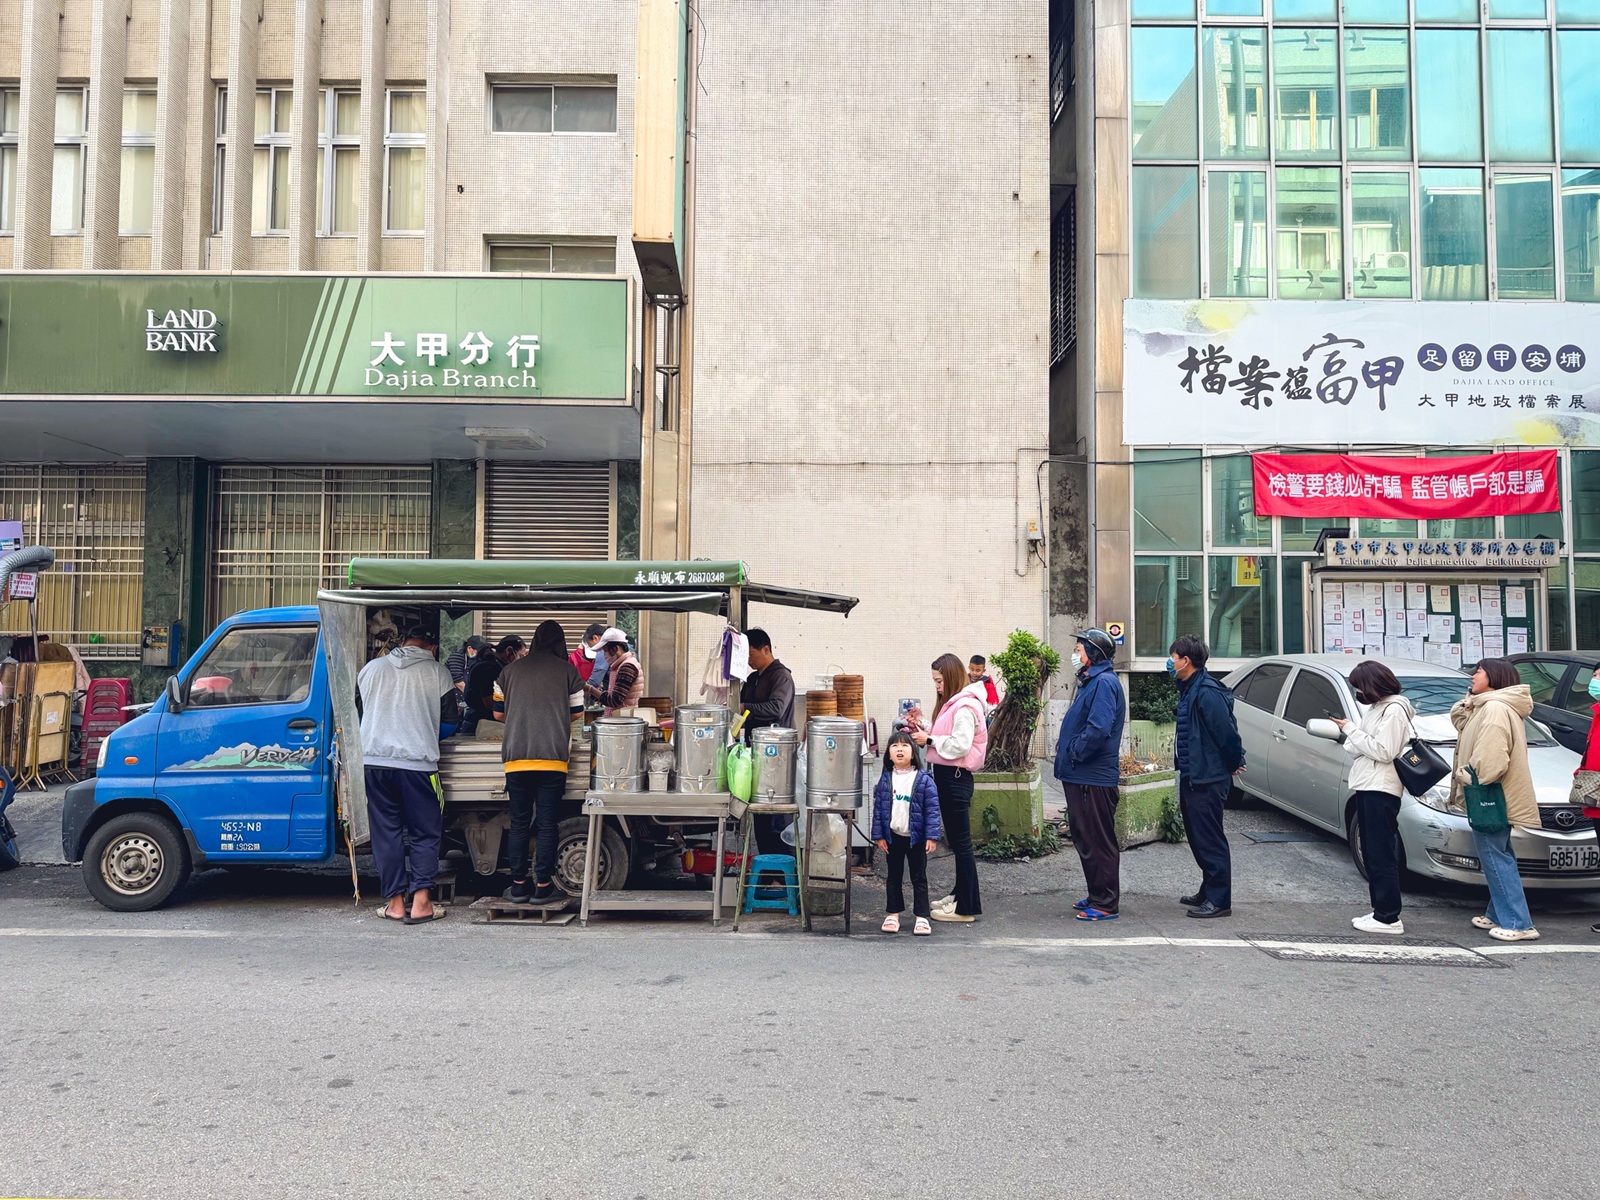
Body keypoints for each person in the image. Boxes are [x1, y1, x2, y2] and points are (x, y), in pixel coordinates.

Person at [357, 625, 457, 924]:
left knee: (386, 833)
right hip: (418, 766)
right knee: (424, 832)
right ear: (432, 647)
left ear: (402, 642)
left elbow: (359, 714)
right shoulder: (437, 672)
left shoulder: (371, 669)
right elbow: (451, 723)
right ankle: (422, 903)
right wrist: (423, 732)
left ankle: (395, 904)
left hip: (374, 762)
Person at [495, 620, 587, 906]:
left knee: (520, 822)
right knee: (547, 824)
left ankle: (519, 886)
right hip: (552, 758)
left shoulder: (508, 671)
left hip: (516, 758)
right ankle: (544, 886)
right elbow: (576, 713)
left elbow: (498, 714)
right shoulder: (568, 671)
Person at [1449, 657, 1540, 942]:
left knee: (1494, 855)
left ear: (1494, 677)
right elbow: (1459, 720)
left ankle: (1518, 923)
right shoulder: (1489, 706)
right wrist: (1470, 698)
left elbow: (1491, 760)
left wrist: (1469, 777)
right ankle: (1499, 913)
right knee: (1499, 853)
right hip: (1493, 792)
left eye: (1478, 672)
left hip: (1489, 794)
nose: (1473, 676)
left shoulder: (1495, 709)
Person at [1332, 661, 1416, 936]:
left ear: (1372, 685)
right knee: (1371, 850)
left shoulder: (1395, 710)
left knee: (1380, 852)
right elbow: (1359, 746)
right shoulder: (1378, 708)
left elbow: (1383, 750)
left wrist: (1352, 731)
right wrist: (1352, 732)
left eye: (1359, 686)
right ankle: (1381, 910)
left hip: (1381, 786)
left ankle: (1388, 917)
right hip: (1368, 784)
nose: (1357, 691)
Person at [909, 653, 989, 924]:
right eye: (934, 681)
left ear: (952, 677)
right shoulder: (955, 704)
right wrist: (924, 728)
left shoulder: (965, 706)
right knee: (957, 842)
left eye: (940, 680)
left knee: (962, 843)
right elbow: (947, 734)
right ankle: (959, 895)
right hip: (949, 777)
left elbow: (960, 745)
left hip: (955, 778)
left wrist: (928, 738)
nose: (937, 686)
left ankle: (966, 907)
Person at [1053, 629, 1126, 922]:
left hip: (1092, 777)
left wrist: (1073, 750)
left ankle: (1106, 902)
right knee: (1086, 838)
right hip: (1082, 776)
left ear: (1093, 654)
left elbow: (1098, 729)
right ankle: (1097, 893)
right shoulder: (1092, 681)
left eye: (1079, 649)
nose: (1075, 654)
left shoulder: (1104, 683)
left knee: (1098, 839)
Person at [1170, 635, 1245, 919]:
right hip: (1193, 774)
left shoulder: (1207, 692)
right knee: (1197, 836)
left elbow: (1227, 733)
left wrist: (1234, 761)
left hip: (1208, 778)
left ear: (1185, 661)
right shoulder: (1190, 687)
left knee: (1210, 838)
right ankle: (1208, 888)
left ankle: (1219, 900)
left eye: (1173, 656)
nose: (1171, 662)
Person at [871, 731, 942, 936]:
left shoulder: (924, 780)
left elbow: (932, 810)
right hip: (893, 837)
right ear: (889, 755)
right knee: (893, 876)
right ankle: (893, 914)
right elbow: (879, 810)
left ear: (913, 753)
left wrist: (931, 836)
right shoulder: (885, 780)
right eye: (895, 746)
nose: (900, 749)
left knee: (918, 876)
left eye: (905, 746)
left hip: (916, 838)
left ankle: (921, 917)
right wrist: (880, 836)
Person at [740, 628, 798, 854]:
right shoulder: (754, 678)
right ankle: (767, 873)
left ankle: (782, 878)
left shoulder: (781, 676)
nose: (748, 660)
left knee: (777, 818)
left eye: (751, 654)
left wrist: (745, 708)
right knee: (761, 816)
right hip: (757, 754)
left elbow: (776, 709)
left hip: (778, 757)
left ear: (766, 649)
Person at [1576, 665, 1600, 936]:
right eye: (1593, 676)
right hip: (1594, 795)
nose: (1594, 682)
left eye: (1599, 676)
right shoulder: (1596, 714)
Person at [463, 635, 523, 732]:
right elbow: (490, 703)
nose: (521, 661)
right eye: (520, 656)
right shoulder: (489, 668)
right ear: (509, 651)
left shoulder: (494, 665)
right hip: (481, 725)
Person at [589, 628, 644, 715]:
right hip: (620, 720)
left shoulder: (627, 667)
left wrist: (591, 689)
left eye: (606, 651)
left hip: (624, 722)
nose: (604, 655)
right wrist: (597, 693)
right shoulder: (620, 666)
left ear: (616, 648)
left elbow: (614, 700)